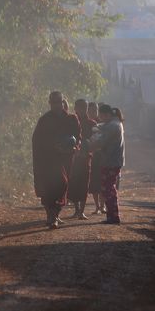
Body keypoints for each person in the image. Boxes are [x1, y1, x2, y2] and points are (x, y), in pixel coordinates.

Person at [32, 91, 81, 229]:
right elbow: (37, 140)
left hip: (66, 158)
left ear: (63, 102)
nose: (56, 105)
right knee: (50, 187)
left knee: (63, 185)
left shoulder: (71, 119)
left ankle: (54, 214)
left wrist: (74, 147)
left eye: (58, 102)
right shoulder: (44, 120)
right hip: (48, 159)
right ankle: (52, 216)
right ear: (49, 103)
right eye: (53, 102)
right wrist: (52, 147)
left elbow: (78, 136)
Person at [90, 104, 125, 224]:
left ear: (106, 114)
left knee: (108, 189)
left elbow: (102, 141)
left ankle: (113, 217)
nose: (100, 118)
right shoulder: (115, 123)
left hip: (111, 161)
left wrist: (91, 145)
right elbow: (102, 127)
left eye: (101, 116)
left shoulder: (112, 126)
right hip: (113, 161)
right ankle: (112, 215)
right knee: (109, 189)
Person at [67, 99, 96, 220]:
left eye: (84, 107)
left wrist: (87, 151)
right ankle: (77, 210)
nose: (81, 110)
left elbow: (96, 141)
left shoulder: (92, 124)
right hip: (73, 157)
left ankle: (82, 211)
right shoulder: (70, 121)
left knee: (84, 184)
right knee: (73, 184)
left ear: (87, 108)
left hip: (85, 158)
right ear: (75, 108)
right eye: (79, 107)